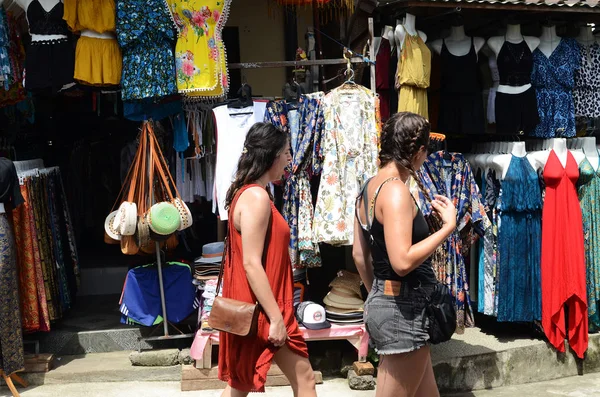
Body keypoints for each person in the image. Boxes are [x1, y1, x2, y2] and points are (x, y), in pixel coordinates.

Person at [352, 112, 457, 397]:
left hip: (392, 304)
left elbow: (359, 255)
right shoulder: (396, 192)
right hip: (402, 312)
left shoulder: (367, 188)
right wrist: (448, 227)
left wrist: (378, 293)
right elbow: (402, 262)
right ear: (419, 151)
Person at [218, 122, 317, 397]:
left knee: (239, 384)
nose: (289, 159)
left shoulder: (252, 193)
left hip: (259, 305)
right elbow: (251, 263)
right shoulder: (256, 198)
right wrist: (275, 318)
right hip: (264, 308)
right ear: (272, 155)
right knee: (304, 379)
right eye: (286, 152)